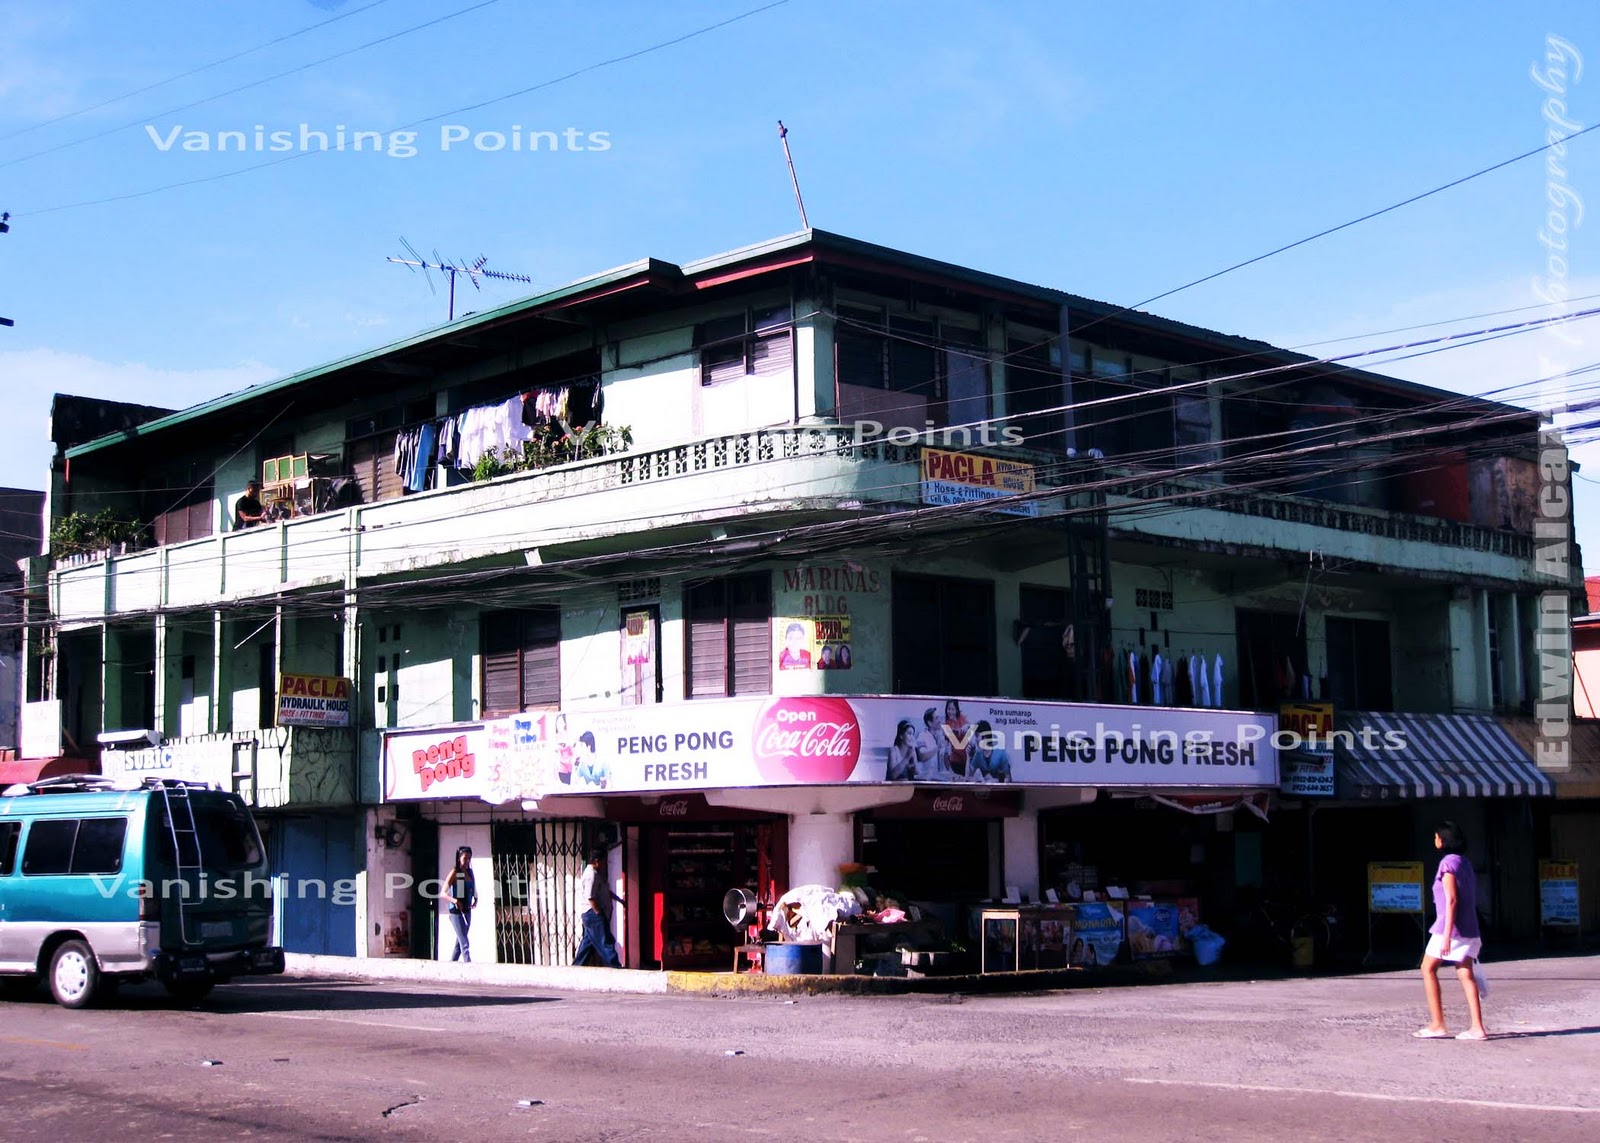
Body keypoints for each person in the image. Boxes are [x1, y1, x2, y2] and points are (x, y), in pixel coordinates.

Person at [1415, 821, 1489, 1041]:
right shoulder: (1464, 862)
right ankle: (1477, 1027)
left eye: (1436, 836)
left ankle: (1438, 1023)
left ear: (1443, 840)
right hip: (1470, 927)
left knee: (1427, 967)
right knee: (1465, 972)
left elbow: (1451, 900)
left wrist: (1447, 934)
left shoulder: (1448, 863)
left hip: (1450, 927)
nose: (1434, 840)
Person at [575, 848, 622, 968]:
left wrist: (620, 900)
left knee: (587, 944)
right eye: (603, 860)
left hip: (592, 915)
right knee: (605, 941)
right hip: (593, 914)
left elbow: (605, 892)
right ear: (596, 860)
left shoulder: (595, 874)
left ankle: (576, 967)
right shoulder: (591, 874)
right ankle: (616, 967)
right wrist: (598, 912)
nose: (604, 863)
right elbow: (590, 896)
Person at [444, 846, 477, 963]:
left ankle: (451, 965)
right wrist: (455, 901)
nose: (467, 861)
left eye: (469, 858)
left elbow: (473, 887)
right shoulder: (455, 872)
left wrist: (475, 898)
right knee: (464, 943)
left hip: (467, 910)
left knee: (459, 943)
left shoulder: (469, 872)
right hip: (456, 912)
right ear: (458, 858)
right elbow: (443, 893)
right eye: (465, 858)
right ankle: (469, 966)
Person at [913, 707, 949, 781]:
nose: (940, 721)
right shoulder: (922, 736)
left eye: (939, 717)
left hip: (939, 779)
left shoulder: (940, 736)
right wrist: (937, 747)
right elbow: (922, 755)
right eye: (936, 718)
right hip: (927, 780)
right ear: (929, 723)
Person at [942, 699, 971, 777]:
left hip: (966, 760)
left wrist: (967, 726)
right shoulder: (946, 724)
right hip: (954, 761)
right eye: (948, 709)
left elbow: (970, 729)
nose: (950, 712)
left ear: (957, 710)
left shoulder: (963, 719)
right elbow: (946, 747)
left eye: (952, 709)